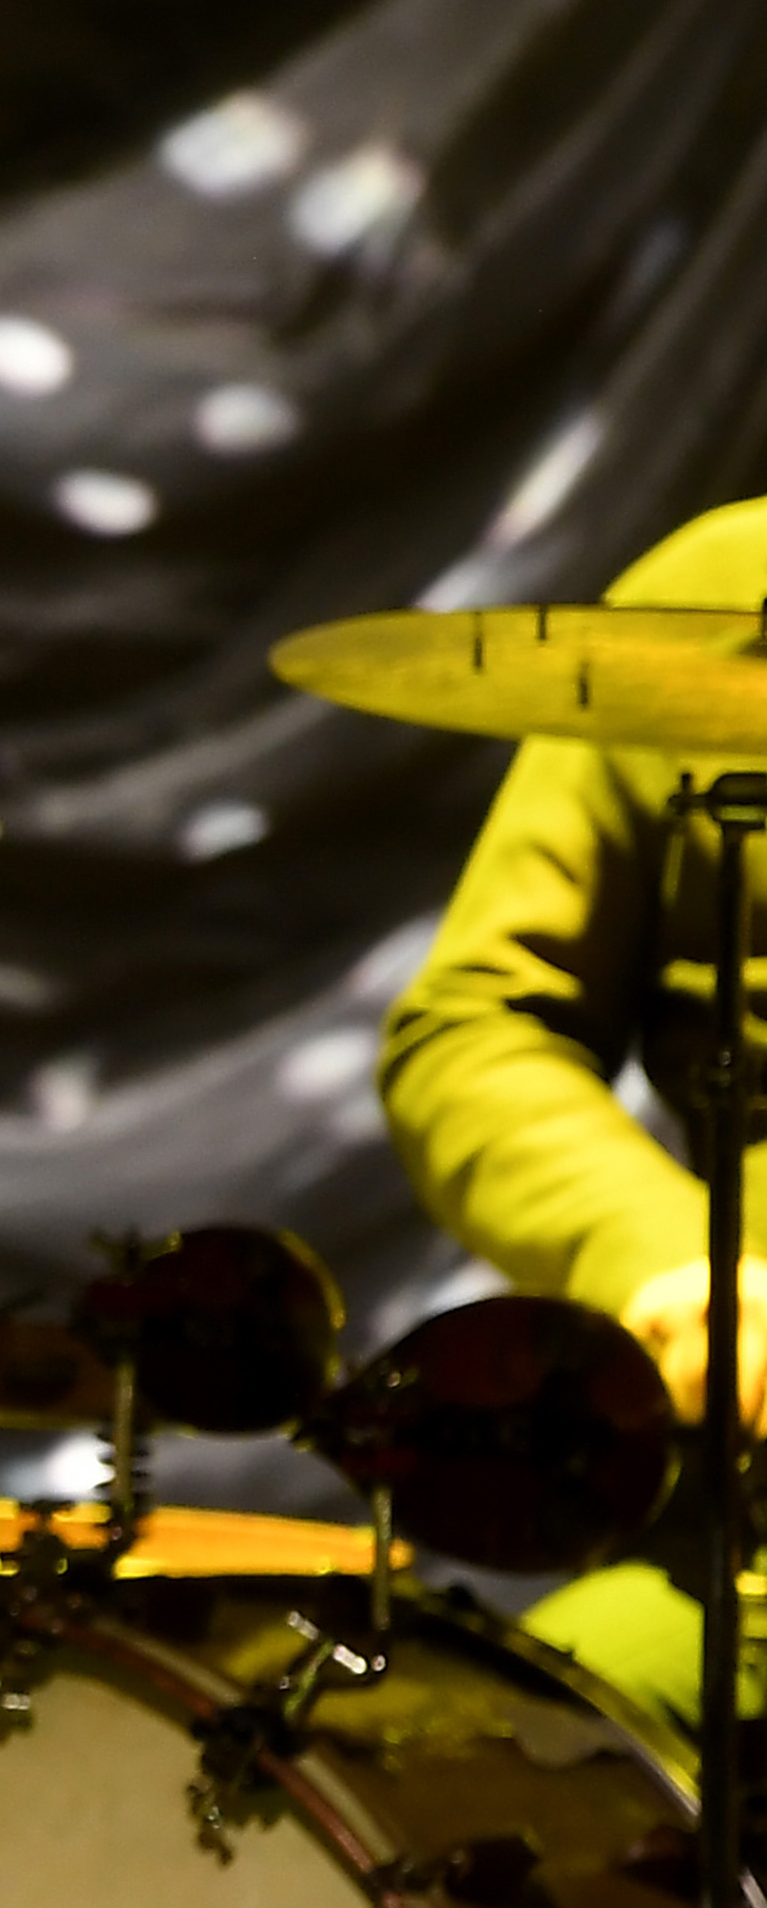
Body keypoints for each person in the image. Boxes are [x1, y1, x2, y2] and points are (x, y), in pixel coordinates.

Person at [383, 495, 767, 1724]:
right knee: (504, 1761)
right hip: (752, 1533)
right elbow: (476, 1028)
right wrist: (670, 1259)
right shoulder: (725, 592)